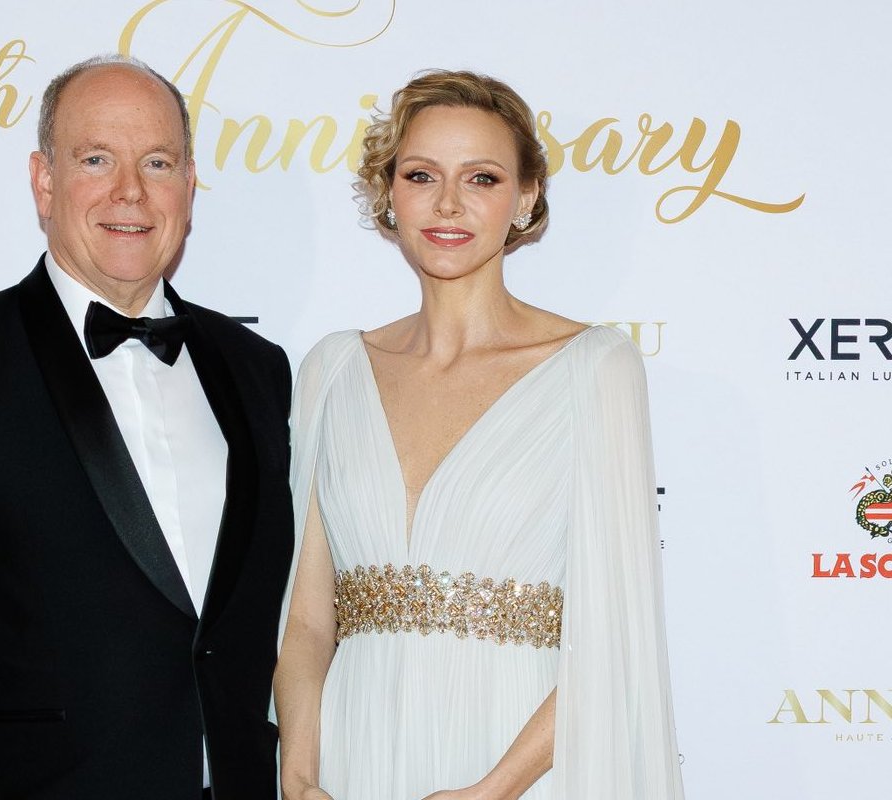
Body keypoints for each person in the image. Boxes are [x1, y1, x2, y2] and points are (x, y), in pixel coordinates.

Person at [0, 55, 292, 800]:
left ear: (190, 186)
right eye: (96, 159)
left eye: (158, 162)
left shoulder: (256, 370)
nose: (130, 191)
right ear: (44, 181)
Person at [274, 70, 684, 800]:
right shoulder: (332, 371)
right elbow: (306, 621)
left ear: (525, 197)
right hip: (353, 754)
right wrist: (300, 777)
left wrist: (490, 791)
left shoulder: (595, 368)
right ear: (388, 192)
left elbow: (613, 636)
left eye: (483, 177)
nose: (448, 204)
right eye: (421, 174)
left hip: (519, 765)